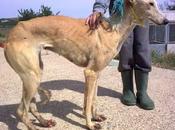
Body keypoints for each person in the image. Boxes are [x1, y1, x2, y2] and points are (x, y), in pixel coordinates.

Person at [86, 0, 155, 110]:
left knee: (142, 46)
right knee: (125, 47)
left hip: (142, 8)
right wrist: (98, 9)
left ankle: (142, 92)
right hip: (120, 9)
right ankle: (127, 89)